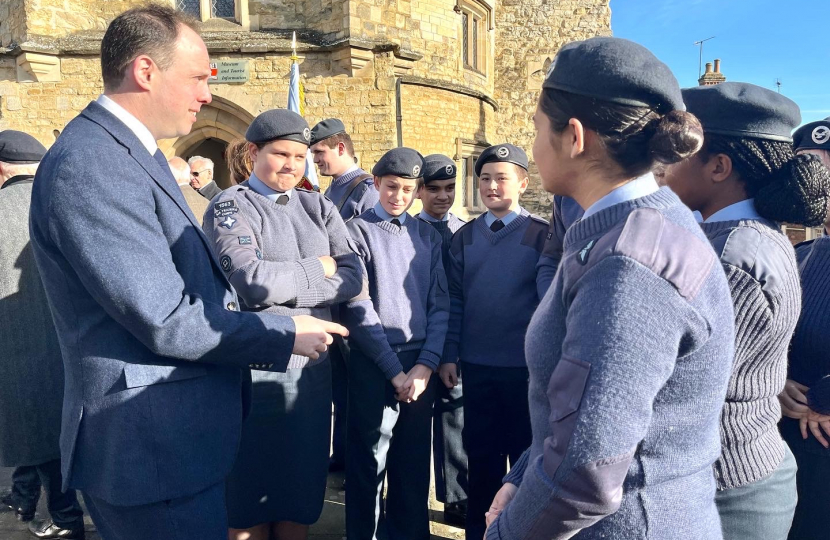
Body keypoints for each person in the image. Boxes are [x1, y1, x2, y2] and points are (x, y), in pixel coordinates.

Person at [27, 7, 346, 540]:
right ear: (146, 71)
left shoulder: (128, 153)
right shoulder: (94, 163)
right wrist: (285, 331)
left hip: (171, 442)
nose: (206, 94)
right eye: (199, 77)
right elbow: (166, 318)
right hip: (149, 450)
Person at [483, 37, 736, 540]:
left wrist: (505, 534)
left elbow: (588, 469)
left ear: (573, 136)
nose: (532, 149)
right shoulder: (629, 228)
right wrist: (521, 476)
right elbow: (581, 410)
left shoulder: (628, 264)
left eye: (536, 130)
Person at [660, 82, 830, 539]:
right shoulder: (740, 238)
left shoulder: (733, 254)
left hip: (725, 485)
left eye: (677, 155)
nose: (661, 168)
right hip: (729, 467)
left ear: (718, 166)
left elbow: (678, 386)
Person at [203, 109, 362, 540]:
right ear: (254, 152)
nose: (292, 165)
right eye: (281, 154)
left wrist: (298, 288)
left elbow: (353, 277)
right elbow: (252, 283)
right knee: (248, 494)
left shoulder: (319, 205)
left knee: (299, 490)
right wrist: (319, 267)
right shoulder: (231, 206)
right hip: (254, 370)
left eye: (300, 155)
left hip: (311, 373)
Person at [441, 143, 548, 540]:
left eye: (501, 177)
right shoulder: (464, 238)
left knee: (525, 462)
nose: (491, 185)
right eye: (484, 178)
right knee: (481, 461)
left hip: (525, 372)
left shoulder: (543, 236)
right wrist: (450, 353)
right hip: (477, 368)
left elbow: (550, 304)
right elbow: (453, 299)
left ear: (522, 182)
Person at [341, 147, 449, 540]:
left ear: (417, 190)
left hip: (420, 368)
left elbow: (440, 304)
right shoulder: (355, 232)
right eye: (391, 187)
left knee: (412, 464)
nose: (398, 196)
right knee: (370, 462)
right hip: (374, 363)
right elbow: (357, 306)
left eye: (407, 189)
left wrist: (426, 364)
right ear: (375, 183)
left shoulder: (428, 237)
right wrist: (394, 370)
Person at [0, 130, 86, 540]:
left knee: (36, 437)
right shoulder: (72, 207)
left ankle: (58, 517)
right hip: (78, 350)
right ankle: (35, 503)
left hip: (13, 354)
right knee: (55, 440)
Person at [310, 118, 380, 472]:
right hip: (333, 304)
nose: (316, 160)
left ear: (340, 148)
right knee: (340, 385)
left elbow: (370, 252)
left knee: (357, 388)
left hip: (355, 303)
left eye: (320, 152)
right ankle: (342, 454)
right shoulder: (335, 188)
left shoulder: (366, 189)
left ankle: (356, 459)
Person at [778, 116, 830, 540]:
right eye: (803, 165)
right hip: (789, 444)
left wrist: (824, 397)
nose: (811, 178)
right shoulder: (802, 253)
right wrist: (775, 382)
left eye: (823, 165)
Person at [413, 154, 468, 526]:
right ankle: (409, 500)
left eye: (449, 188)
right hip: (416, 341)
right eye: (433, 189)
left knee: (454, 421)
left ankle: (455, 498)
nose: (443, 196)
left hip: (453, 343)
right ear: (419, 191)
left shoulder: (465, 231)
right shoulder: (410, 230)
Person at [169, 155, 209, 225]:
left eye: (196, 174)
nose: (192, 178)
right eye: (192, 174)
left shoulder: (169, 199)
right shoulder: (207, 202)